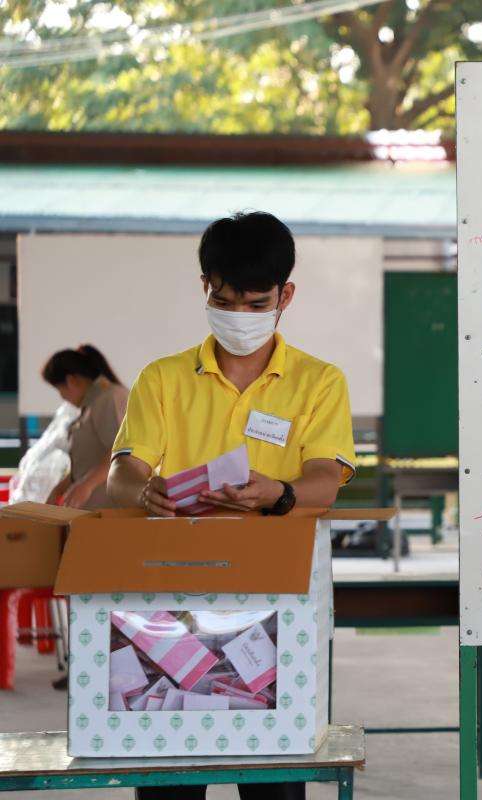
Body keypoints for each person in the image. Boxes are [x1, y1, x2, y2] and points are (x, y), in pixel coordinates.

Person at [107, 211, 356, 800]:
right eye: (224, 301)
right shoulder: (162, 378)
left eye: (255, 303)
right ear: (205, 288)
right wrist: (143, 492)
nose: (239, 315)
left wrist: (281, 494)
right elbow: (124, 471)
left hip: (280, 594)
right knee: (170, 773)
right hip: (173, 602)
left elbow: (325, 478)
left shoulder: (319, 381)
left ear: (284, 296)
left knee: (273, 777)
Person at [41, 345, 129, 510]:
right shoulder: (92, 405)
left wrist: (87, 485)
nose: (63, 397)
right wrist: (59, 489)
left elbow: (122, 451)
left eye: (60, 390)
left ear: (71, 381)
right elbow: (88, 465)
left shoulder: (110, 397)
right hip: (92, 512)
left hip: (111, 511)